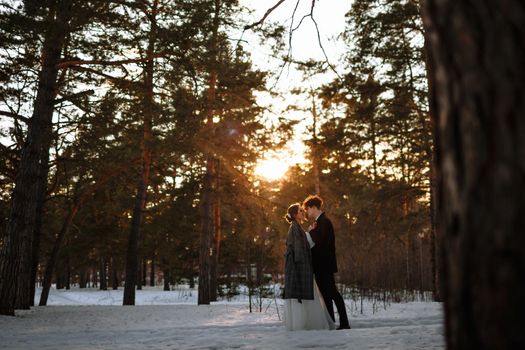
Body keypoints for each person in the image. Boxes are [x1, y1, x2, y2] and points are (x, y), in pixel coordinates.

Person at [283, 203, 335, 331]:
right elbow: (300, 248)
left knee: (305, 295)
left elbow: (304, 244)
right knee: (298, 296)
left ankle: (305, 323)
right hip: (297, 267)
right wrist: (310, 232)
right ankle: (300, 324)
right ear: (295, 215)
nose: (303, 212)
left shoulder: (297, 227)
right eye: (300, 211)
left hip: (301, 266)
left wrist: (310, 231)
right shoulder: (294, 228)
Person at [303, 195, 351, 330]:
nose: (307, 212)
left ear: (313, 207)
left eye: (307, 209)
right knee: (326, 295)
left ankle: (345, 323)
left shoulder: (325, 222)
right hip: (320, 266)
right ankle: (331, 322)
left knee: (333, 293)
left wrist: (311, 232)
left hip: (325, 265)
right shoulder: (320, 222)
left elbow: (321, 242)